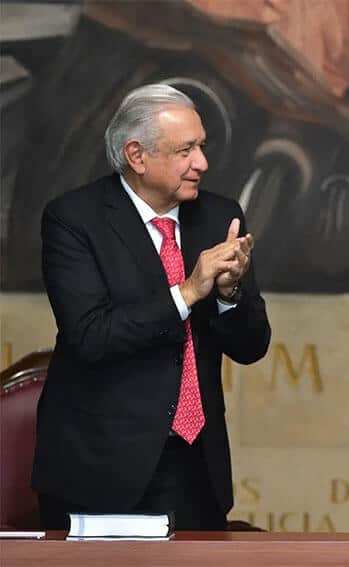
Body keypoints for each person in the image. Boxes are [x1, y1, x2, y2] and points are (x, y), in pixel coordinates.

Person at [33, 84, 271, 530]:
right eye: (185, 150)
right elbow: (91, 336)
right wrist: (190, 291)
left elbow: (252, 346)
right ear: (137, 156)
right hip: (100, 467)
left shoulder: (220, 217)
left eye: (201, 146)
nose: (201, 163)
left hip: (197, 465)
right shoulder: (74, 219)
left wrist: (228, 294)